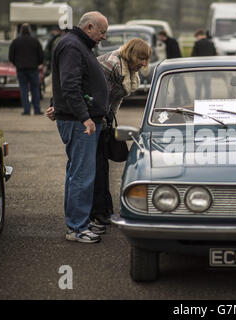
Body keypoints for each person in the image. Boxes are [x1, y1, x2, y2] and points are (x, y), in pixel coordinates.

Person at [46, 38, 152, 226]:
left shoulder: (128, 71)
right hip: (89, 119)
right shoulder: (112, 65)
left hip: (101, 118)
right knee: (89, 170)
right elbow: (85, 89)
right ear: (131, 54)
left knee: (98, 167)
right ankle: (93, 215)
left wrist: (109, 119)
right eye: (141, 58)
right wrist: (60, 107)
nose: (144, 63)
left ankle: (102, 211)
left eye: (147, 59)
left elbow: (114, 99)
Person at [51, 11, 109, 243]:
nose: (104, 37)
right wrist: (85, 117)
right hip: (79, 123)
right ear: (89, 27)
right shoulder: (73, 47)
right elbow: (69, 84)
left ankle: (78, 223)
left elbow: (69, 83)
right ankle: (77, 227)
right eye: (102, 32)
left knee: (78, 174)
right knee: (82, 176)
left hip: (78, 119)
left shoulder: (76, 44)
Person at [9, 23, 44, 116]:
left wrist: (16, 64)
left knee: (24, 89)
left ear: (20, 31)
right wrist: (38, 63)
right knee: (35, 89)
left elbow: (11, 56)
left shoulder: (16, 41)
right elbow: (41, 55)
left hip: (21, 69)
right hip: (33, 68)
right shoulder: (35, 41)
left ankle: (26, 110)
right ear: (30, 30)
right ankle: (37, 110)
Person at [157, 30, 189, 105]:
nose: (159, 38)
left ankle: (178, 101)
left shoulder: (171, 42)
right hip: (176, 65)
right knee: (180, 84)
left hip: (176, 66)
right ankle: (185, 100)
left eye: (160, 37)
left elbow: (175, 55)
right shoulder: (169, 42)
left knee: (178, 84)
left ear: (162, 36)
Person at [191, 29, 216, 99]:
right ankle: (207, 99)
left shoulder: (197, 43)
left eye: (197, 36)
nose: (197, 38)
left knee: (198, 86)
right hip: (208, 68)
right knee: (207, 86)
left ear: (199, 35)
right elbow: (214, 55)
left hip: (199, 68)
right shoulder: (211, 43)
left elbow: (193, 56)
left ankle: (198, 99)